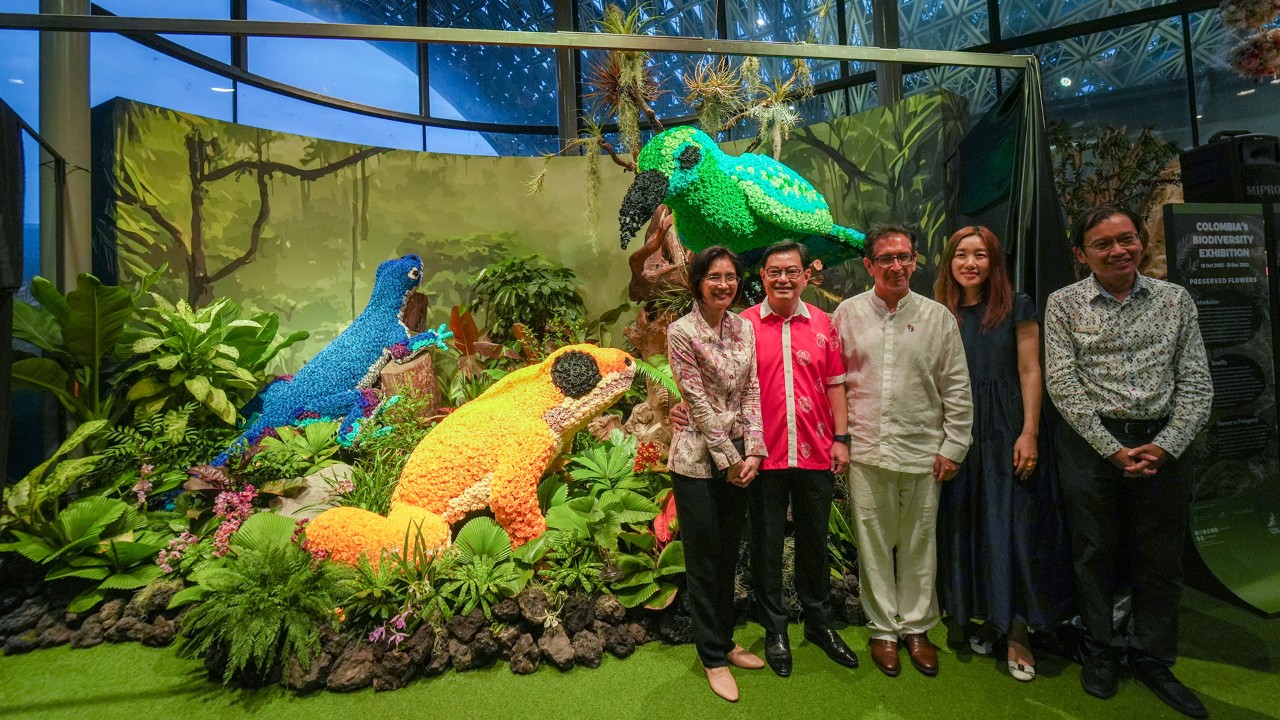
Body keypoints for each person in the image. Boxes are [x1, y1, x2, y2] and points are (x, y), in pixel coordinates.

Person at [1043, 206, 1212, 718]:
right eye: (1103, 244)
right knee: (1095, 550)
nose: (1119, 250)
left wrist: (1167, 444)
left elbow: (1197, 382)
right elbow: (1063, 384)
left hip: (1164, 443)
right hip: (1094, 445)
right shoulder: (1064, 304)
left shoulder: (1174, 300)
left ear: (1140, 242)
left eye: (1127, 239)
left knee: (1161, 556)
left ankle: (1153, 656)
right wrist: (1111, 449)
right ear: (1081, 254)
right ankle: (1101, 650)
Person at [673, 240, 860, 678]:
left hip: (806, 450)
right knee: (764, 546)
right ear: (762, 277)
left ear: (805, 274)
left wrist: (841, 437)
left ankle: (819, 624)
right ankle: (772, 630)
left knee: (815, 542)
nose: (783, 278)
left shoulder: (823, 324)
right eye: (774, 270)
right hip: (758, 458)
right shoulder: (746, 325)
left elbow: (831, 384)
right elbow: (704, 391)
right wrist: (680, 408)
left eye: (791, 270)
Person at [933, 226, 1074, 683]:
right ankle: (983, 618)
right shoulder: (939, 312)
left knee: (1010, 527)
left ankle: (1017, 630)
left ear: (995, 262)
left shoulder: (1017, 305)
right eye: (961, 255)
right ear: (949, 262)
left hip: (1004, 424)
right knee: (967, 522)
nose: (970, 263)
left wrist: (1029, 430)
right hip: (956, 426)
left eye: (980, 255)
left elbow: (1031, 369)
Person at [832, 224, 973, 678]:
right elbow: (832, 382)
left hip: (921, 448)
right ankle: (882, 630)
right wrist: (840, 439)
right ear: (869, 265)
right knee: (873, 542)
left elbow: (956, 385)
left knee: (918, 542)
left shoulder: (938, 318)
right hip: (867, 448)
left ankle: (916, 627)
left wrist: (954, 446)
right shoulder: (847, 315)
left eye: (904, 257)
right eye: (886, 258)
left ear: (916, 261)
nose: (897, 265)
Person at [665, 245, 768, 703]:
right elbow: (698, 403)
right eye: (714, 276)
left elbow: (751, 390)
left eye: (730, 276)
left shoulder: (744, 327)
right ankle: (711, 656)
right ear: (697, 282)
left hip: (741, 458)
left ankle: (725, 639)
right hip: (696, 462)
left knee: (729, 554)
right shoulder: (681, 331)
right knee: (704, 559)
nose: (724, 284)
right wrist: (729, 459)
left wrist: (756, 452)